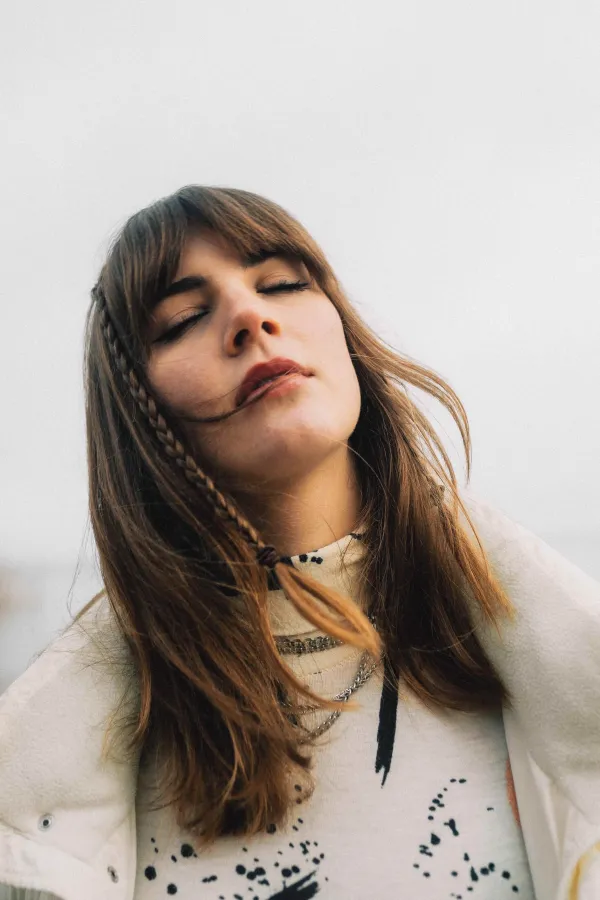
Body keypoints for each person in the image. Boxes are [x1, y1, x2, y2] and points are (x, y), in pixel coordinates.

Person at [0, 185, 599, 900]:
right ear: (135, 408)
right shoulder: (49, 783)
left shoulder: (546, 662)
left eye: (282, 283)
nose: (249, 316)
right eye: (183, 319)